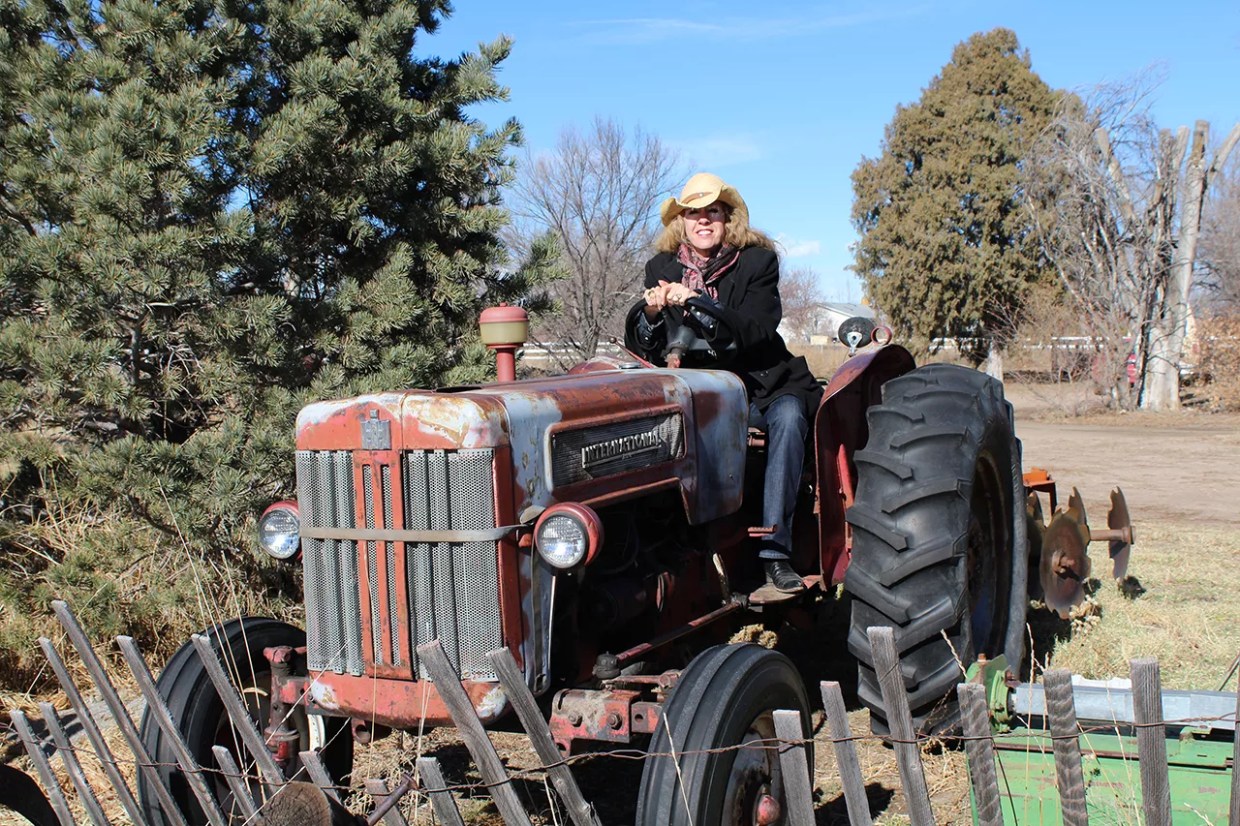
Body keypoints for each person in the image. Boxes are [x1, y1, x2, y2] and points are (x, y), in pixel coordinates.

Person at [625, 173, 823, 593]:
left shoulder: (757, 262)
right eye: (693, 213)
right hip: (700, 387)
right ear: (681, 221)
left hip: (762, 383)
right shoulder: (661, 267)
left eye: (712, 212)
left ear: (727, 218)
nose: (703, 221)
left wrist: (696, 301)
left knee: (788, 420)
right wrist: (654, 314)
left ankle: (775, 551)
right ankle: (673, 552)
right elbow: (647, 342)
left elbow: (755, 331)